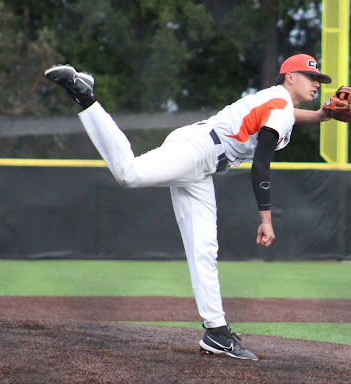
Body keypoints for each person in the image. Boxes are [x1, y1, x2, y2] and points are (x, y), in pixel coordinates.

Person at [44, 53, 332, 360]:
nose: (317, 83)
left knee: (204, 248)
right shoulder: (281, 106)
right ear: (290, 77)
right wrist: (266, 219)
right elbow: (260, 164)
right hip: (197, 150)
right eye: (311, 76)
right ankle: (85, 96)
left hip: (203, 164)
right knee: (129, 174)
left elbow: (285, 118)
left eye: (319, 79)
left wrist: (319, 116)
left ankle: (217, 334)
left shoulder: (279, 104)